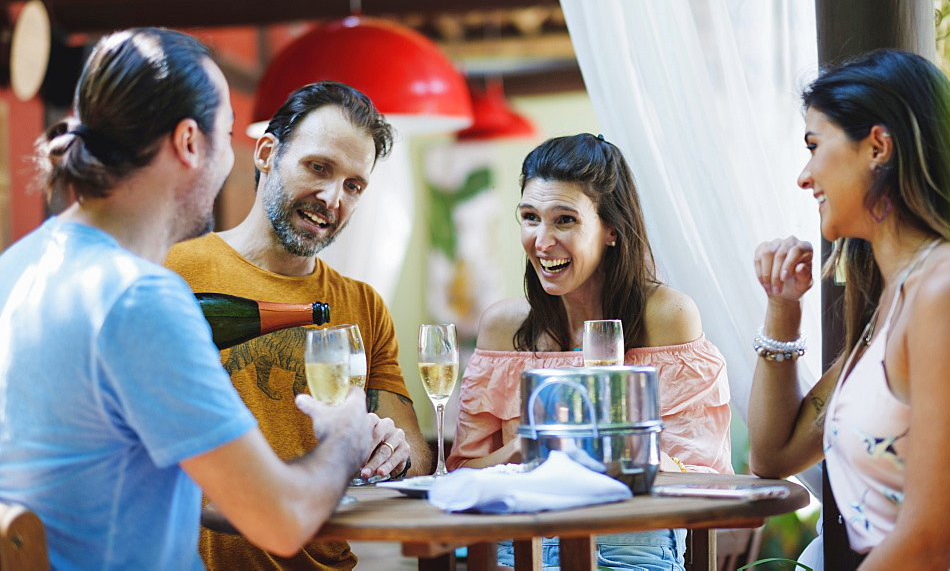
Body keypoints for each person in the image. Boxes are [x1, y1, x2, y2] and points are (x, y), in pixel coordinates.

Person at [0, 28, 378, 569]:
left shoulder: (17, 266)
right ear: (189, 142)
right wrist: (346, 435)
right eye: (226, 135)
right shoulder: (139, 299)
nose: (230, 159)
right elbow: (283, 518)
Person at [749, 49, 950, 569]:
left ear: (878, 147)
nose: (804, 176)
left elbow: (930, 540)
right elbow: (773, 457)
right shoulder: (899, 301)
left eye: (815, 146)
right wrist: (782, 308)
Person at [165, 80, 431, 569]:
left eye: (354, 185)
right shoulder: (172, 273)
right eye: (319, 167)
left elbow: (416, 451)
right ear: (267, 152)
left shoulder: (362, 304)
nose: (332, 199)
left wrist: (394, 450)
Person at [447, 133, 733, 570]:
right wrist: (526, 449)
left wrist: (612, 446)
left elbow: (705, 478)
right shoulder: (503, 327)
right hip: (514, 548)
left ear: (611, 229)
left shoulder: (668, 317)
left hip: (632, 549)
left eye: (564, 220)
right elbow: (463, 474)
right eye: (530, 217)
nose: (541, 242)